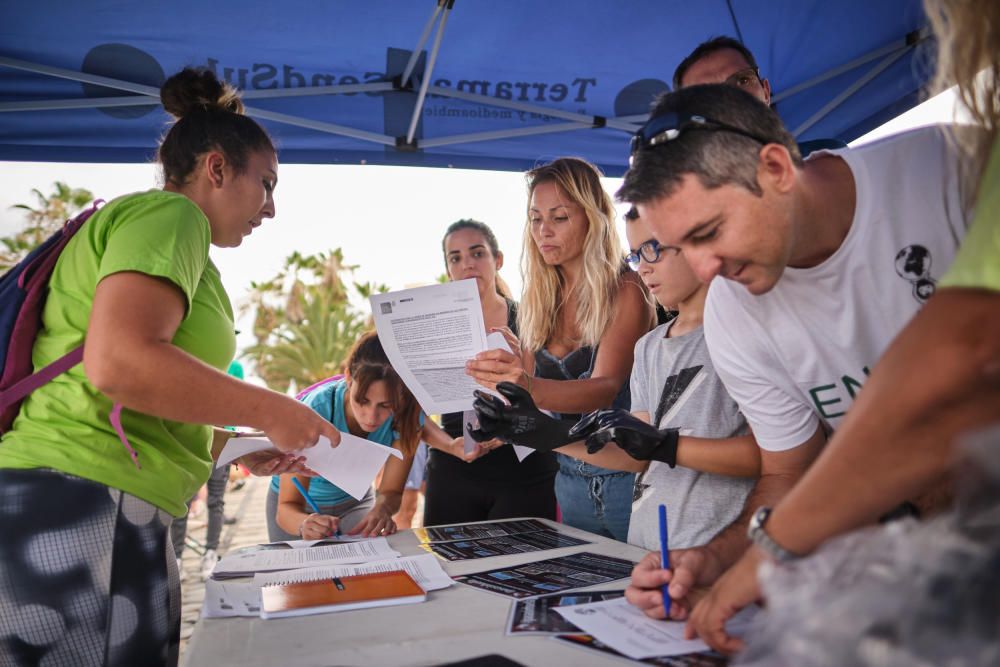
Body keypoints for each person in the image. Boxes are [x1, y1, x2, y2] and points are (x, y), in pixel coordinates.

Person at [654, 0, 1000, 653]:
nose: (703, 268)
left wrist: (776, 548)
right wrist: (721, 556)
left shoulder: (949, 164)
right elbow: (790, 474)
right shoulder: (732, 305)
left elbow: (969, 358)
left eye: (710, 231)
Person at [0, 67, 339, 666]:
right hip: (81, 497)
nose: (272, 208)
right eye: (266, 183)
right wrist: (272, 407)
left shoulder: (185, 252)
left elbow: (140, 392)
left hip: (100, 498)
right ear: (216, 169)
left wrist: (232, 444)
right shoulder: (172, 218)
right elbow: (119, 362)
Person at [471, 206, 759, 550]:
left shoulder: (745, 332)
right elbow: (635, 456)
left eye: (653, 248)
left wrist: (666, 446)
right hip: (649, 549)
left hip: (717, 551)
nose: (644, 266)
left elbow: (775, 456)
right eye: (637, 254)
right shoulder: (651, 345)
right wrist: (543, 433)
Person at [467, 157, 655, 541]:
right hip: (568, 482)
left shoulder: (627, 288)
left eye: (559, 217)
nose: (543, 231)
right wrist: (501, 420)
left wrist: (526, 384)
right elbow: (534, 400)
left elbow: (604, 387)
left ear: (593, 217)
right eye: (535, 219)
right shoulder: (540, 298)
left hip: (628, 482)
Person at [268, 331, 467, 541]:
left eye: (386, 405)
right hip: (297, 510)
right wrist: (304, 524)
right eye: (362, 400)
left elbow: (391, 492)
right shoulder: (315, 410)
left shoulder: (406, 415)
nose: (372, 417)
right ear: (348, 378)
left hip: (356, 503)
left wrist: (382, 509)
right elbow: (286, 508)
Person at [423, 219, 559, 527]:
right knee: (450, 569)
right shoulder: (431, 328)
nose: (467, 265)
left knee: (525, 570)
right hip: (454, 465)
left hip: (523, 466)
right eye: (455, 258)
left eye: (477, 253)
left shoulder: (531, 319)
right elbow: (409, 413)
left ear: (497, 260)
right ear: (448, 269)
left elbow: (553, 396)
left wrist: (508, 431)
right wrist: (449, 446)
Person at [171, 358, 245, 582]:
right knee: (183, 503)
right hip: (190, 440)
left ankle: (210, 554)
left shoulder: (235, 367)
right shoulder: (195, 358)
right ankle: (177, 559)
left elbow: (234, 402)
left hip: (221, 440)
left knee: (216, 500)